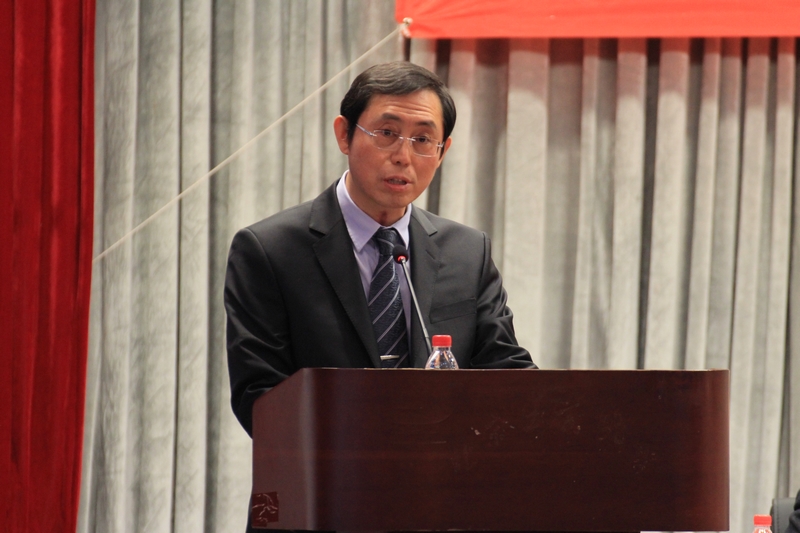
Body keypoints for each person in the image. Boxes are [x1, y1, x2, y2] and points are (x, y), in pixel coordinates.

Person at [225, 60, 536, 438]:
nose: (403, 156)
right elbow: (260, 397)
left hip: (442, 472)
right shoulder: (270, 251)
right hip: (326, 470)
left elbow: (507, 375)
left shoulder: (468, 253)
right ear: (344, 135)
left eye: (423, 140)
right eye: (387, 133)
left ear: (442, 152)